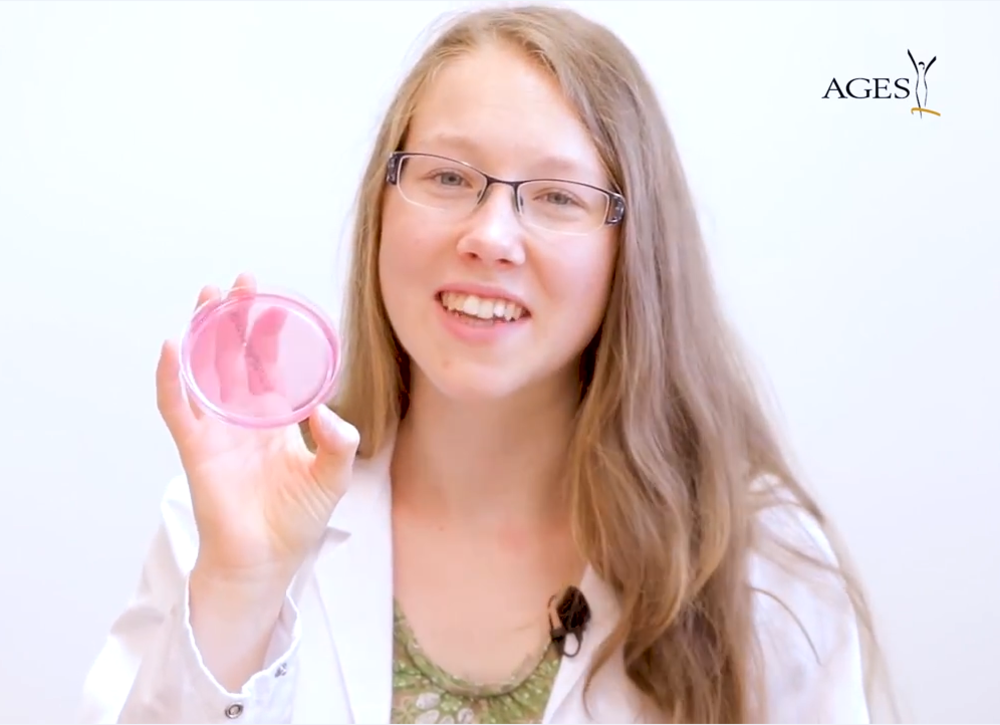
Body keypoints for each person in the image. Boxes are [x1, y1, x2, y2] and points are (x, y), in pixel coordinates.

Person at [78, 4, 891, 724]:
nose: (490, 236)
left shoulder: (759, 567)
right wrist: (238, 585)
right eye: (447, 177)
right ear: (382, 209)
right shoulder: (229, 522)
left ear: (633, 251)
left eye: (558, 196)